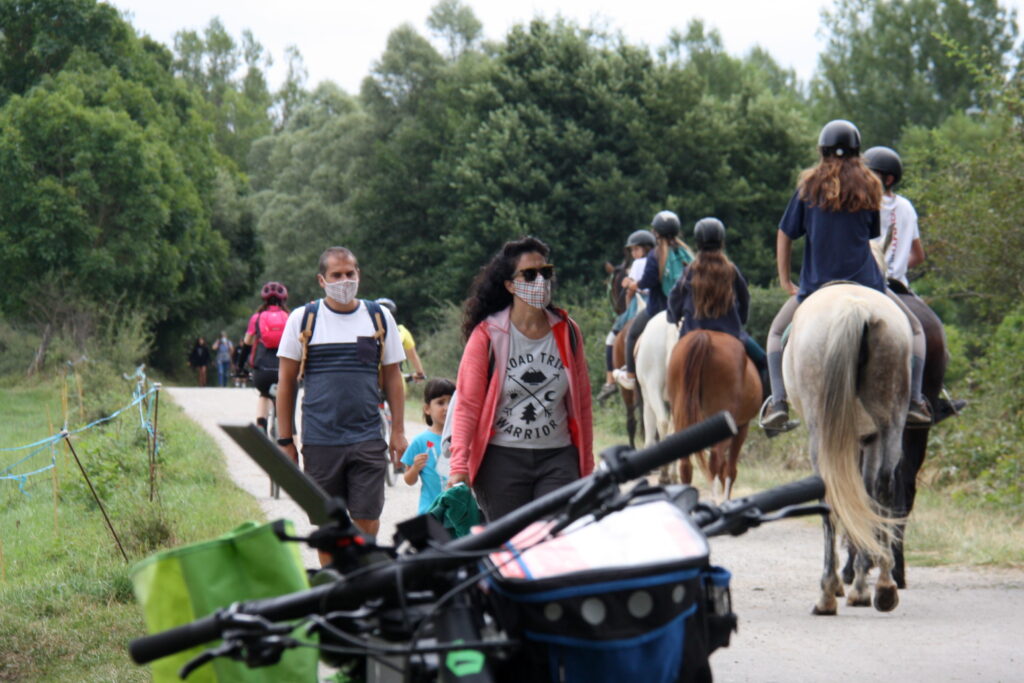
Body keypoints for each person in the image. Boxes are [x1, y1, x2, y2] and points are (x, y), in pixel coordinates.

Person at [761, 120, 932, 433]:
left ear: (822, 150)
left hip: (815, 286)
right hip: (867, 284)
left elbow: (785, 233)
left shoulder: (808, 187)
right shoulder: (871, 186)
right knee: (917, 330)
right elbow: (871, 236)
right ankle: (915, 402)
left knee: (774, 335)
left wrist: (785, 280)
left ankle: (778, 403)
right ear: (857, 151)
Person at [448, 236, 594, 521]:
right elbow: (467, 406)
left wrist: (586, 466)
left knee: (553, 538)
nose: (541, 280)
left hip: (557, 457)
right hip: (501, 460)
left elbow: (583, 405)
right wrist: (459, 465)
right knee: (512, 547)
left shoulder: (568, 332)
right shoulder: (488, 335)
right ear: (510, 284)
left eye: (546, 272)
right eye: (529, 274)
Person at [275, 247, 407, 553]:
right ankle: (337, 593)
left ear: (359, 274)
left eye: (350, 273)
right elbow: (285, 384)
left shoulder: (378, 317)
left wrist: (398, 431)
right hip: (320, 441)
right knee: (329, 530)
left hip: (367, 438)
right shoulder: (303, 319)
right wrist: (285, 439)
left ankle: (361, 588)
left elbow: (392, 377)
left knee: (368, 521)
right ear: (322, 280)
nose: (344, 280)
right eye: (336, 275)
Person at [666, 218, 769, 397]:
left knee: (672, 367)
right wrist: (740, 320)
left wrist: (674, 317)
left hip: (691, 332)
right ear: (722, 241)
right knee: (765, 362)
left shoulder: (689, 271)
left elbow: (674, 299)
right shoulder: (731, 270)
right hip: (730, 332)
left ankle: (672, 403)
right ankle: (770, 409)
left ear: (697, 243)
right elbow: (744, 301)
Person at [613, 210, 694, 390]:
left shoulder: (656, 255)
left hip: (659, 309)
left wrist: (636, 285)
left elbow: (649, 281)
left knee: (632, 334)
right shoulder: (686, 253)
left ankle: (631, 376)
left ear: (655, 233)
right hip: (686, 310)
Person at [597, 229, 655, 402]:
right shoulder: (657, 261)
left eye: (636, 249)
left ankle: (610, 381)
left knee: (611, 338)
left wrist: (629, 295)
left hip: (640, 301)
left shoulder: (638, 264)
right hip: (658, 300)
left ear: (645, 248)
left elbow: (631, 292)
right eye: (632, 250)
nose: (633, 253)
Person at [863, 146, 924, 289]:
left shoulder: (862, 205)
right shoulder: (907, 207)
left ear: (888, 179)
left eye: (869, 175)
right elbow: (918, 256)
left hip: (867, 283)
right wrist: (897, 266)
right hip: (899, 287)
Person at [401, 378, 456, 514]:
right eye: (440, 402)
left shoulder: (462, 439)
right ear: (427, 409)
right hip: (430, 512)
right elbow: (408, 479)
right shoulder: (420, 441)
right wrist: (415, 468)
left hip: (458, 513)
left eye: (451, 402)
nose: (447, 408)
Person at [244, 282, 291, 434]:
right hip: (284, 370)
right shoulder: (290, 317)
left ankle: (260, 425)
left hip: (262, 370)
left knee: (264, 394)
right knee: (284, 395)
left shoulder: (257, 318)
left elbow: (247, 344)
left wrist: (239, 367)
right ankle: (282, 430)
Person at [375, 297, 426, 381]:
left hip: (371, 378)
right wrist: (420, 374)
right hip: (395, 377)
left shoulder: (367, 332)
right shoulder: (402, 331)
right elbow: (413, 356)